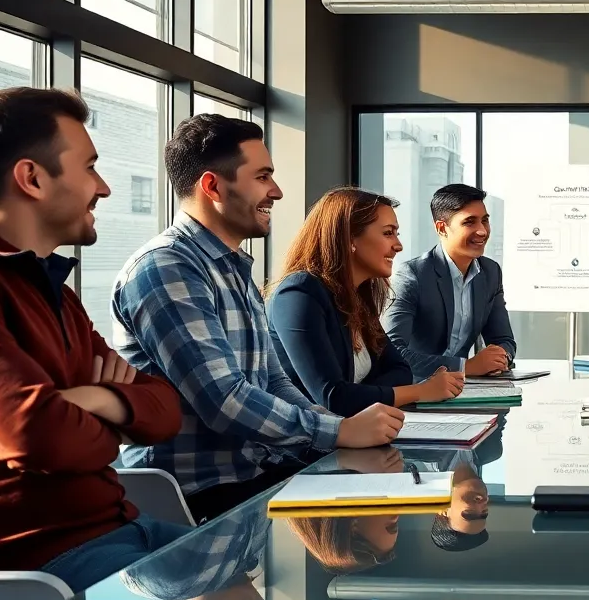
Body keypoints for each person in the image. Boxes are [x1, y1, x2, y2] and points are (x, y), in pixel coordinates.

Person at [0, 87, 327, 600]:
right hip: (38, 565)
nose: (104, 187)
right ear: (31, 178)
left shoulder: (52, 292)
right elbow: (39, 435)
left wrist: (96, 398)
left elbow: (161, 409)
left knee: (310, 595)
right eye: (90, 167)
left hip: (116, 527)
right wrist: (110, 410)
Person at [112, 114, 406, 523]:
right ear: (213, 185)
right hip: (198, 503)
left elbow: (273, 380)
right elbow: (224, 400)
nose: (278, 191)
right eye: (263, 176)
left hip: (255, 478)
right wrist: (337, 432)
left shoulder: (232, 268)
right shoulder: (166, 268)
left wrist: (342, 428)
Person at [268, 187, 465, 415]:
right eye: (388, 233)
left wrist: (358, 395)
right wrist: (420, 391)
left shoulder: (358, 296)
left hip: (358, 435)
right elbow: (333, 397)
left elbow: (400, 370)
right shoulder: (298, 294)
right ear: (350, 237)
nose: (398, 245)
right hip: (308, 446)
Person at [384, 183, 516, 378]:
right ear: (442, 228)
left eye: (485, 220)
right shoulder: (412, 275)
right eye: (470, 222)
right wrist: (464, 367)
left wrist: (501, 356)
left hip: (464, 390)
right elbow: (392, 353)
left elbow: (503, 339)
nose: (482, 231)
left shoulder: (490, 272)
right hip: (415, 389)